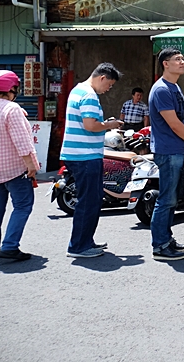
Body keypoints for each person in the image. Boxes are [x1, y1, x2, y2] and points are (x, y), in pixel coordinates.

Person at [60, 63, 124, 258]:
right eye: (110, 85)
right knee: (89, 202)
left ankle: (85, 240)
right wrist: (110, 125)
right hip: (85, 155)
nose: (108, 89)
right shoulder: (89, 95)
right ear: (102, 78)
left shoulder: (77, 90)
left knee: (91, 200)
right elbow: (90, 125)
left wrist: (103, 124)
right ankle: (79, 246)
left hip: (77, 154)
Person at [0, 70, 39, 261]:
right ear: (11, 88)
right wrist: (31, 166)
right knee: (22, 205)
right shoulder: (12, 109)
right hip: (14, 168)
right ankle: (10, 246)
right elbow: (22, 142)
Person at [148, 48, 184, 262]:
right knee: (166, 199)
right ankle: (160, 245)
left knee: (172, 199)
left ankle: (167, 239)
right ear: (165, 64)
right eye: (177, 59)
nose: (182, 62)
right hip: (168, 150)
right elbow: (172, 123)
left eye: (183, 59)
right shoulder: (161, 89)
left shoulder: (175, 87)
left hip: (178, 149)